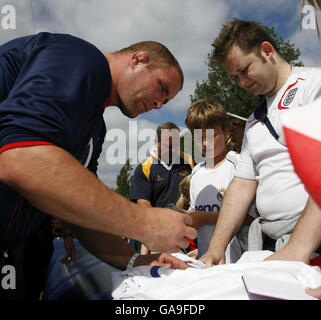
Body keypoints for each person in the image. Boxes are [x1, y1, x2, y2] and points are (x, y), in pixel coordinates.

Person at [0, 32, 197, 275]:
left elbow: (80, 213)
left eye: (164, 103)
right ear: (138, 59)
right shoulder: (81, 59)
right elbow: (20, 157)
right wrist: (143, 222)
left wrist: (138, 261)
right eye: (161, 88)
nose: (158, 104)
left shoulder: (95, 128)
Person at [200, 19, 321, 267]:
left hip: (311, 247)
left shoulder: (313, 86)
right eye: (235, 78)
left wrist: (298, 248)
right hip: (270, 244)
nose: (242, 82)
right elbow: (242, 184)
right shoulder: (254, 120)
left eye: (245, 70)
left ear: (267, 50)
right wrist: (215, 248)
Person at [185, 99, 255, 262]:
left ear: (226, 133)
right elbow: (194, 214)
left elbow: (252, 218)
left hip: (236, 263)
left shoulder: (239, 165)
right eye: (199, 137)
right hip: (205, 264)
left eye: (212, 135)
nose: (204, 143)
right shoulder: (196, 173)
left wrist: (205, 217)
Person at [129, 122, 194, 254]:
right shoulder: (144, 168)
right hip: (160, 238)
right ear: (156, 142)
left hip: (190, 236)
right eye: (168, 146)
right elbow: (144, 206)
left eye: (175, 145)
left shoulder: (189, 162)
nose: (172, 150)